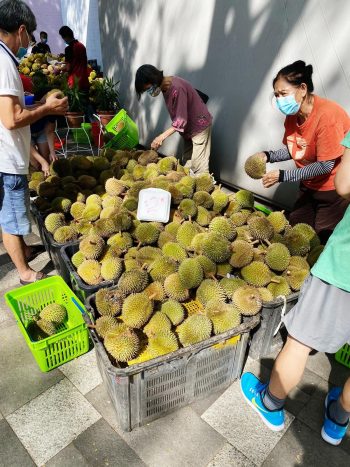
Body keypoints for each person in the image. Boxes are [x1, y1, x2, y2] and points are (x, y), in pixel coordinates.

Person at [241, 130, 350, 446]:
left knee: (300, 341)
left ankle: (270, 403)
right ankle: (338, 422)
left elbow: (342, 184)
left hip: (344, 268)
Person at [0, 0, 68, 284]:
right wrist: (48, 109)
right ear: (22, 30)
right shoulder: (4, 62)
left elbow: (11, 107)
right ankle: (26, 273)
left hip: (7, 153)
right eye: (30, 35)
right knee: (12, 219)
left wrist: (37, 103)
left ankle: (24, 250)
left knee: (13, 212)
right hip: (7, 157)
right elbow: (11, 119)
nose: (28, 42)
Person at [247, 60, 350, 244]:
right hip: (307, 186)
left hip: (332, 190)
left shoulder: (327, 116)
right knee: (296, 232)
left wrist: (284, 175)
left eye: (283, 93)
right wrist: (267, 155)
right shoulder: (292, 117)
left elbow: (325, 165)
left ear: (302, 89)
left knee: (321, 238)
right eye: (276, 95)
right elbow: (294, 148)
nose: (279, 100)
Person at [135, 64, 212, 175]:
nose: (149, 92)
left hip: (200, 126)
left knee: (199, 169)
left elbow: (181, 120)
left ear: (154, 80)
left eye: (148, 89)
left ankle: (205, 186)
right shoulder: (165, 87)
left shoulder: (177, 88)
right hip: (188, 129)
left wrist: (161, 137)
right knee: (187, 165)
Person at [59, 25, 89, 91]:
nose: (63, 40)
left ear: (66, 36)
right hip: (85, 81)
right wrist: (65, 56)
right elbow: (77, 59)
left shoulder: (68, 49)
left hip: (75, 83)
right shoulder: (81, 46)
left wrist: (59, 68)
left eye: (63, 37)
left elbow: (68, 67)